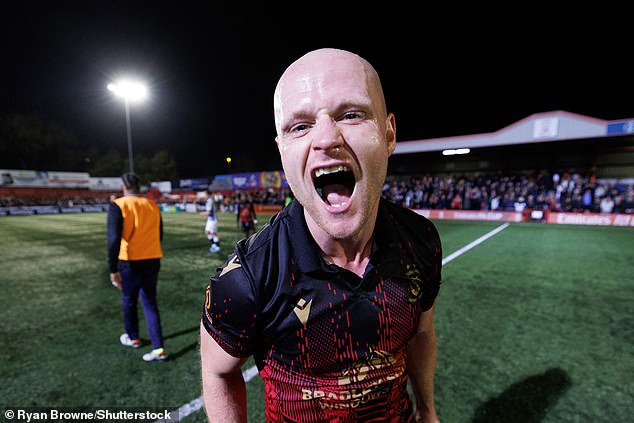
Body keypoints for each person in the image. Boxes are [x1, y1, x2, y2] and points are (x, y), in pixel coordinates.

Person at [200, 48, 442, 422]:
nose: (327, 138)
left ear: (389, 133)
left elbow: (422, 334)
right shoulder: (249, 275)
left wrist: (428, 410)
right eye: (300, 126)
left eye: (351, 114)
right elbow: (219, 371)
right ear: (283, 153)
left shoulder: (420, 239)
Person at [107, 172, 168, 362]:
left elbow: (114, 240)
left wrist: (112, 269)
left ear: (123, 186)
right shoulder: (152, 205)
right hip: (152, 259)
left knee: (129, 300)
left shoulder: (118, 205)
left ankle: (133, 338)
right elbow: (160, 234)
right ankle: (158, 348)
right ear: (138, 186)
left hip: (129, 261)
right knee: (150, 303)